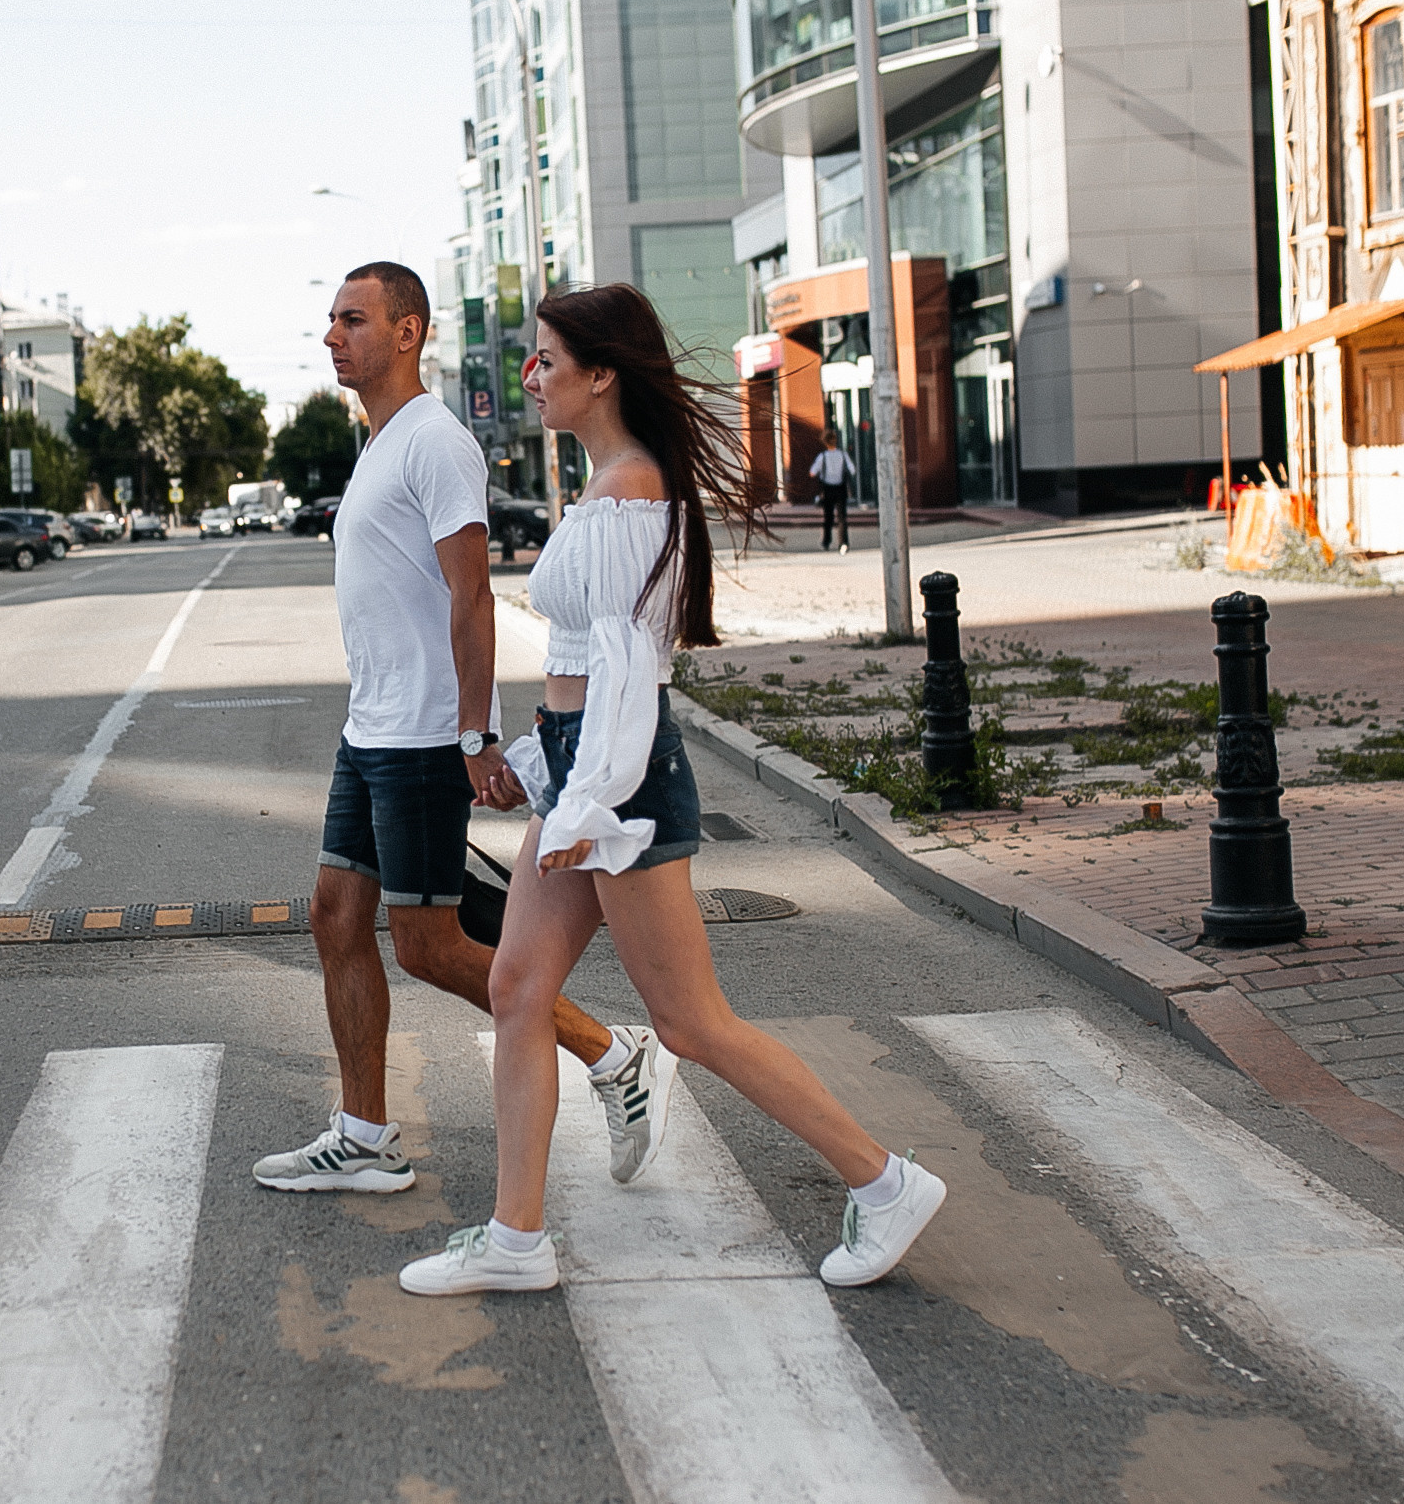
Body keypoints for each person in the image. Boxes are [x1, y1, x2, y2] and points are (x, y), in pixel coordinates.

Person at [398, 282, 945, 1296]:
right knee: (517, 986)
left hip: (619, 779)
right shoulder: (611, 481)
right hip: (588, 766)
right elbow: (579, 665)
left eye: (547, 359)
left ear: (601, 372)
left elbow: (623, 674)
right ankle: (516, 1238)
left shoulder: (630, 493)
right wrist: (537, 764)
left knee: (691, 1022)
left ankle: (884, 1179)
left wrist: (588, 801)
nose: (529, 375)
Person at [253, 262, 676, 1198]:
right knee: (335, 917)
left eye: (352, 319)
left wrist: (475, 735)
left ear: (408, 332)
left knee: (429, 944)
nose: (332, 336)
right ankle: (361, 1134)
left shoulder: (434, 443)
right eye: (328, 319)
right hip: (370, 726)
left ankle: (612, 1055)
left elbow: (470, 593)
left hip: (419, 734)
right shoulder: (378, 444)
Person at [809, 435, 851, 553]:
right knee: (842, 517)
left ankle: (826, 541)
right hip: (840, 488)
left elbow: (812, 472)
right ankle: (843, 542)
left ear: (825, 443)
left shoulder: (822, 456)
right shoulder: (843, 455)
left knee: (828, 517)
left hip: (827, 489)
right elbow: (852, 469)